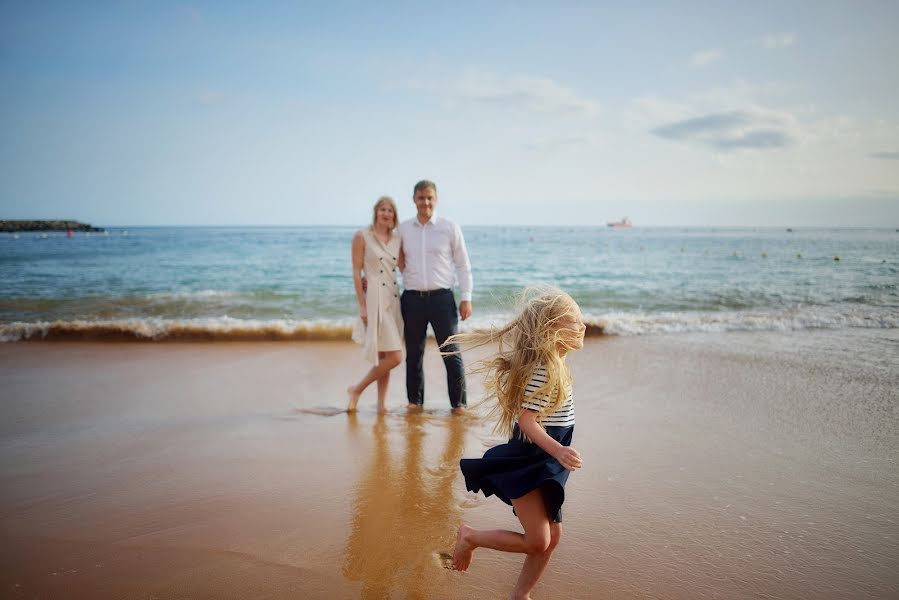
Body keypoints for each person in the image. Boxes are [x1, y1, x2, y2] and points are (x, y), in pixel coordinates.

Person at [444, 286, 585, 600]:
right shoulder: (545, 370)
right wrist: (559, 450)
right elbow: (527, 421)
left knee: (553, 537)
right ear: (552, 329)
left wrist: (556, 453)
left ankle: (520, 594)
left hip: (546, 462)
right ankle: (470, 537)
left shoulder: (557, 364)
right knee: (538, 541)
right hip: (529, 461)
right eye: (573, 321)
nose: (581, 325)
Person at [398, 180, 472, 415]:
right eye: (421, 198)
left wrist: (466, 297)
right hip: (412, 299)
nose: (425, 202)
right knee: (414, 354)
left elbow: (462, 264)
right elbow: (389, 259)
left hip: (442, 299)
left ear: (436, 199)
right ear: (414, 199)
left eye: (429, 198)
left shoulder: (449, 227)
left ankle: (459, 404)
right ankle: (414, 402)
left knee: (451, 352)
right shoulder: (403, 229)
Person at [347, 196, 404, 413]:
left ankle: (381, 404)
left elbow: (404, 266)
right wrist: (362, 304)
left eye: (390, 210)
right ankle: (357, 389)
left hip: (394, 298)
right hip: (374, 299)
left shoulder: (397, 239)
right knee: (396, 357)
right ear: (376, 212)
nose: (386, 213)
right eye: (382, 209)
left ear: (394, 215)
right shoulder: (362, 236)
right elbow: (356, 271)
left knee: (386, 355)